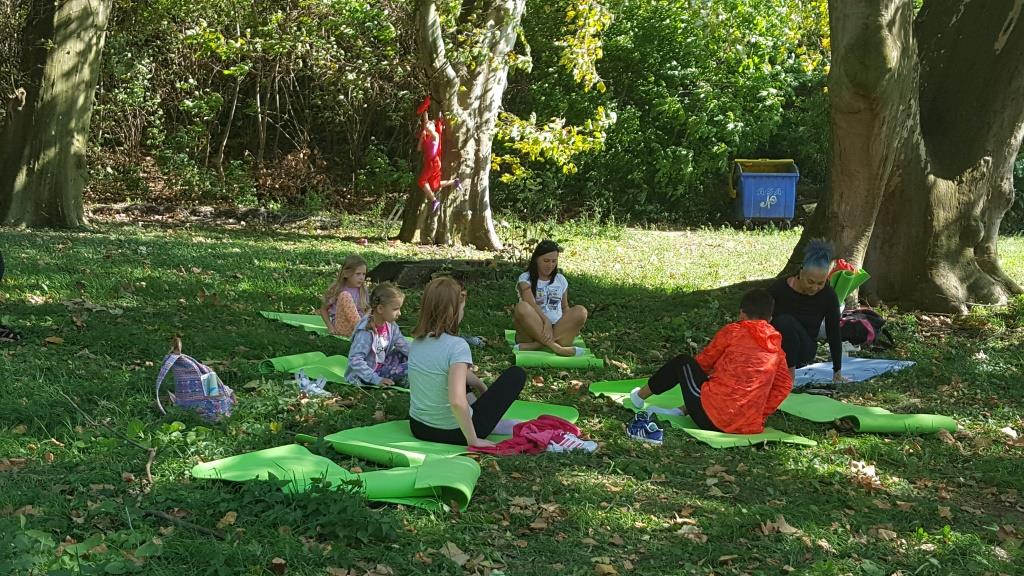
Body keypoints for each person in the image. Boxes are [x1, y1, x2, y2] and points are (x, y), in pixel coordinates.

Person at [627, 288, 793, 435]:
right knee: (713, 383)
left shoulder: (734, 331)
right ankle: (680, 411)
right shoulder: (776, 347)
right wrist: (759, 413)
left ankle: (639, 396)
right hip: (748, 426)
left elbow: (703, 364)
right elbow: (784, 386)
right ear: (770, 319)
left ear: (742, 313)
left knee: (683, 363)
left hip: (711, 418)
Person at [408, 277, 527, 447]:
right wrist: (473, 440)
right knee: (516, 374)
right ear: (453, 310)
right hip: (456, 433)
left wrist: (479, 384)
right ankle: (487, 425)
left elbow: (448, 371)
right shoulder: (457, 346)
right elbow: (457, 401)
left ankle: (480, 417)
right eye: (462, 307)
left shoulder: (416, 343)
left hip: (419, 428)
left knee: (454, 376)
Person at [768, 238, 846, 383]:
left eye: (820, 283)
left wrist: (837, 371)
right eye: (810, 282)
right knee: (783, 322)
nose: (814, 288)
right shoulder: (780, 288)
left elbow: (834, 331)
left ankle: (789, 376)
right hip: (776, 348)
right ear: (801, 272)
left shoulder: (828, 295)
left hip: (804, 350)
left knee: (786, 322)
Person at [511, 240, 588, 357]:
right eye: (546, 261)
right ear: (536, 259)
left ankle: (536, 345)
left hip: (556, 330)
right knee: (522, 307)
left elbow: (564, 307)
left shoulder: (561, 279)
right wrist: (546, 322)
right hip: (531, 330)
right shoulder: (525, 278)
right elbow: (530, 303)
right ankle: (556, 348)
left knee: (581, 311)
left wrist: (571, 325)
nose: (550, 265)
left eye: (554, 261)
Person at [345, 283, 410, 387]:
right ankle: (405, 379)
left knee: (410, 356)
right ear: (380, 309)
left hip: (382, 365)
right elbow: (355, 359)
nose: (399, 313)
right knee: (411, 367)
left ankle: (405, 377)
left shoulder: (391, 325)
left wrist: (423, 357)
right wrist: (375, 379)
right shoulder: (365, 331)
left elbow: (403, 345)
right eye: (395, 309)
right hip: (367, 375)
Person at [416, 95, 461, 213]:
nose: (427, 125)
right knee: (434, 185)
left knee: (421, 181)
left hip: (433, 163)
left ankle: (434, 200)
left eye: (430, 124)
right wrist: (425, 110)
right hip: (430, 164)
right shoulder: (426, 138)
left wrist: (430, 125)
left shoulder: (435, 136)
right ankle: (454, 182)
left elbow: (429, 127)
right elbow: (419, 149)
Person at [320, 254, 369, 338]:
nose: (361, 278)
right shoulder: (338, 289)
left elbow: (367, 309)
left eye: (363, 274)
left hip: (359, 326)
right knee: (345, 295)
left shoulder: (363, 290)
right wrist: (330, 327)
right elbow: (323, 309)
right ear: (346, 274)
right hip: (343, 326)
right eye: (358, 274)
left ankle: (366, 330)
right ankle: (362, 330)